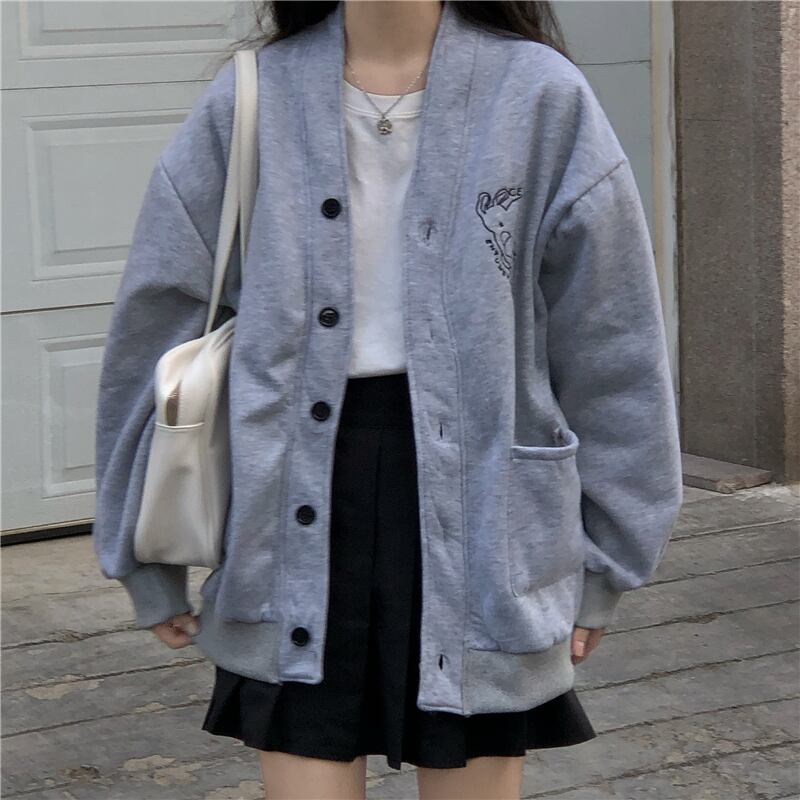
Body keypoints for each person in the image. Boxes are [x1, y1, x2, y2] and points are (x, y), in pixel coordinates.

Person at [92, 1, 684, 798]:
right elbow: (155, 327)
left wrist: (607, 559)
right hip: (290, 506)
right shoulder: (254, 95)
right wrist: (143, 553)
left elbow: (611, 343)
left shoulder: (540, 96)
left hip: (487, 510)